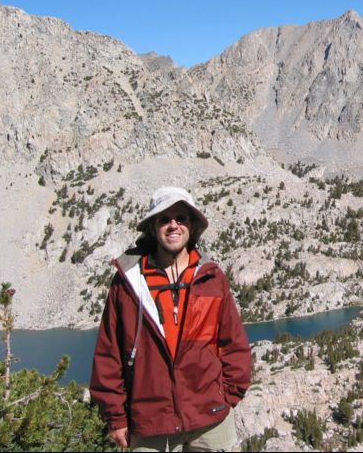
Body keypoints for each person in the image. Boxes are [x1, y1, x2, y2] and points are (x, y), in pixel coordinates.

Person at [90, 186, 251, 451]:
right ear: (152, 228)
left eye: (181, 218)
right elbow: (109, 354)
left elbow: (233, 343)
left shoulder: (211, 278)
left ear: (192, 226)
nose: (173, 226)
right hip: (151, 424)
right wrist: (116, 416)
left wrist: (227, 396)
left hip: (210, 420)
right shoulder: (128, 282)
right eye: (164, 219)